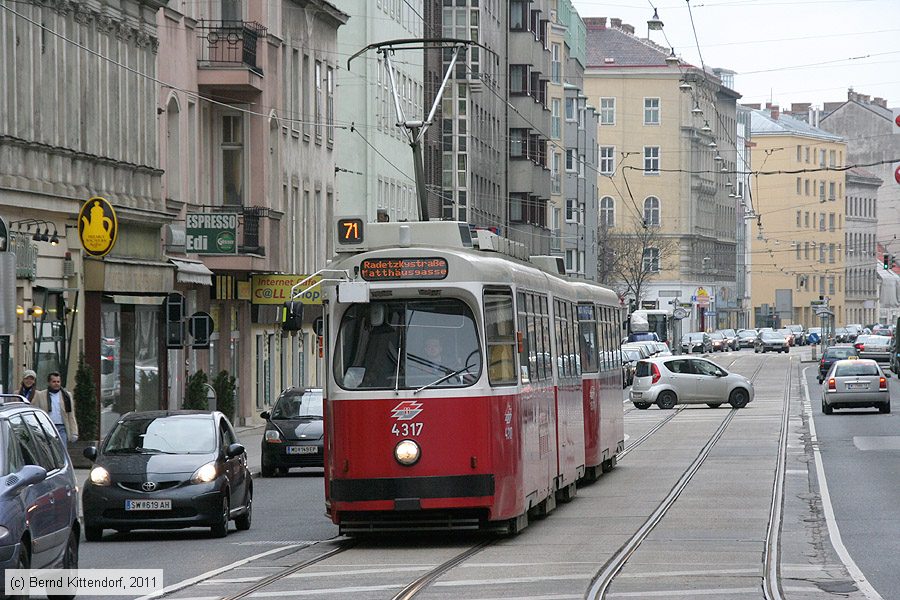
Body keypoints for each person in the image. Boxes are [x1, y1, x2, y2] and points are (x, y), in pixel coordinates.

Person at [33, 372, 79, 446]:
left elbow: (71, 415)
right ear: (49, 382)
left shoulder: (66, 396)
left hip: (62, 428)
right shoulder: (40, 395)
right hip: (47, 428)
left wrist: (74, 432)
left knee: (62, 451)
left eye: (58, 381)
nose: (56, 384)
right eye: (54, 381)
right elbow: (36, 413)